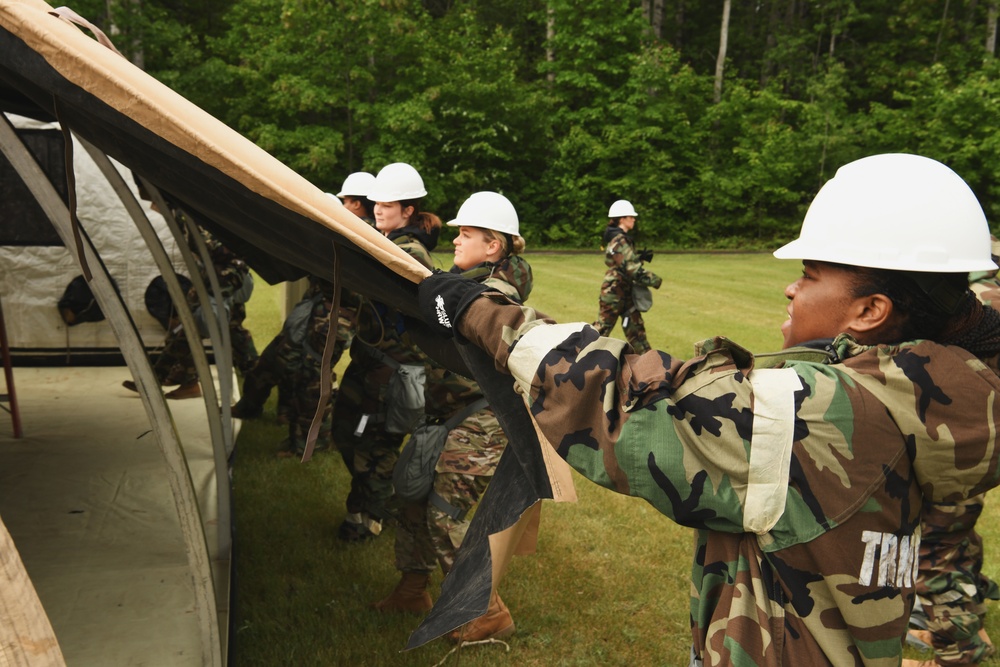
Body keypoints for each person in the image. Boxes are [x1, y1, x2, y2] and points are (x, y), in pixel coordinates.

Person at [417, 153, 1000, 666]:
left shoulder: (821, 416)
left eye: (809, 274)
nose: (792, 289)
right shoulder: (927, 397)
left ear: (872, 310)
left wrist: (482, 311)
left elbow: (623, 405)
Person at [371, 192, 531, 643]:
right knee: (414, 498)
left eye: (466, 234)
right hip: (450, 412)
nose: (455, 240)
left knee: (445, 513)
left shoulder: (496, 296)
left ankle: (488, 611)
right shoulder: (467, 284)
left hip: (484, 417)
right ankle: (413, 587)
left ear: (493, 245)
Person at [331, 162, 441, 541]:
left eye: (388, 205)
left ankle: (368, 517)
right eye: (376, 203)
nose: (377, 209)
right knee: (349, 436)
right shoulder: (388, 243)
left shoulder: (409, 252)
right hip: (370, 366)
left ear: (408, 211)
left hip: (391, 374)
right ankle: (370, 506)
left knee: (374, 446)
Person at [905, 236, 1000, 667]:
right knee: (955, 541)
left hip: (951, 448)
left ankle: (960, 653)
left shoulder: (971, 305)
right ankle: (972, 615)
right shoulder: (979, 301)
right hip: (968, 451)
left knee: (932, 557)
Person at [125, 204, 256, 399]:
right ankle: (252, 372)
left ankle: (177, 381)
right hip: (229, 276)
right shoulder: (186, 213)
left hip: (224, 278)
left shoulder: (185, 216)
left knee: (189, 328)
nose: (149, 201)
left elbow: (213, 248)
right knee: (229, 328)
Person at [593, 199, 661, 354]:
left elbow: (623, 263)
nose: (634, 219)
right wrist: (655, 280)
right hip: (615, 293)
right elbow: (633, 270)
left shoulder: (617, 239)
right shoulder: (620, 240)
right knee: (601, 331)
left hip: (624, 291)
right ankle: (577, 356)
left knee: (637, 333)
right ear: (622, 219)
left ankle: (649, 366)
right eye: (631, 216)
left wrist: (637, 257)